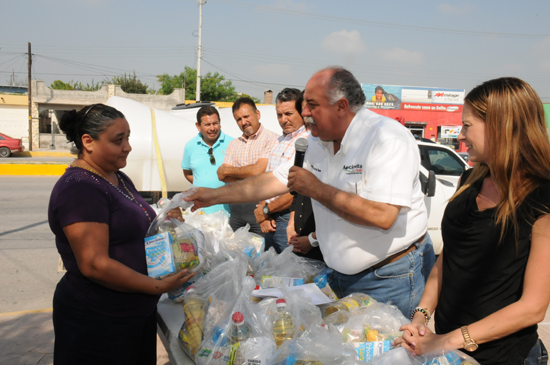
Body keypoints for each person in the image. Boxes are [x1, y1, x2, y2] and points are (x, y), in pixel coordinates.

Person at [186, 67, 435, 318]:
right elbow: (272, 181)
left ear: (341, 106)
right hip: (340, 276)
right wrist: (214, 195)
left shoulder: (386, 138)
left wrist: (315, 188)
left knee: (390, 354)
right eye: (304, 105)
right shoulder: (316, 141)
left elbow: (382, 215)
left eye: (312, 105)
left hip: (388, 278)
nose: (304, 113)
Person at [395, 77, 550, 365]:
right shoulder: (469, 180)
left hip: (506, 357)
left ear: (502, 126)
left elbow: (532, 308)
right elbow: (448, 259)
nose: (460, 136)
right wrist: (421, 318)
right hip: (452, 352)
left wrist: (444, 341)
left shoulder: (542, 198)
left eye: (467, 125)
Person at [49, 104, 195, 364]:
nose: (128, 146)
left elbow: (130, 225)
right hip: (98, 320)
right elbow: (95, 264)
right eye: (119, 140)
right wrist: (159, 286)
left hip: (131, 314)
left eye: (127, 137)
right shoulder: (80, 189)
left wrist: (165, 220)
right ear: (88, 142)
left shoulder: (116, 176)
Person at [253, 88, 310, 253]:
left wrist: (265, 211)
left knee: (289, 272)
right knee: (272, 272)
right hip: (270, 219)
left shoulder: (307, 142)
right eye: (279, 115)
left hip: (289, 219)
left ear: (301, 112)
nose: (283, 119)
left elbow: (297, 190)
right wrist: (263, 209)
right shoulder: (279, 141)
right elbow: (268, 179)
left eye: (289, 114)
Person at [217, 97, 279, 236]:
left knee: (263, 254)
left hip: (260, 210)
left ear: (257, 114)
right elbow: (222, 175)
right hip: (236, 212)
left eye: (246, 116)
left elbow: (259, 170)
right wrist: (251, 173)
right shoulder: (233, 144)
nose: (243, 122)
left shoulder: (272, 139)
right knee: (237, 253)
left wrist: (232, 171)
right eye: (239, 119)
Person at [181, 105, 233, 215]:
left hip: (228, 213)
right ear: (198, 126)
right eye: (207, 125)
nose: (212, 128)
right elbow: (188, 173)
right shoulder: (190, 146)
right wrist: (202, 187)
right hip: (200, 213)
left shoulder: (233, 144)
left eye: (215, 123)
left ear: (220, 122)